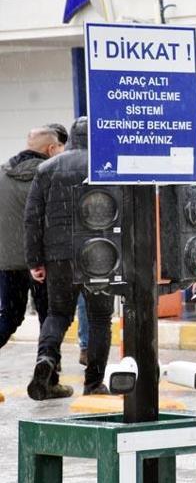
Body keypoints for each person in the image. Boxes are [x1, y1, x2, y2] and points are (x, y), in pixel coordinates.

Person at [25, 117, 116, 399]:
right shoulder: (107, 165)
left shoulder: (47, 168)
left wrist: (35, 260)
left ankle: (47, 360)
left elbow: (32, 218)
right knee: (100, 319)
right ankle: (93, 383)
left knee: (57, 314)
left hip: (59, 255)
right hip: (100, 253)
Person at [0, 125, 65, 350]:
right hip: (42, 262)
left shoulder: (2, 174)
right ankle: (48, 370)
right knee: (50, 317)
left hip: (8, 263)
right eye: (59, 148)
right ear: (50, 148)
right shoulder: (52, 176)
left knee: (9, 317)